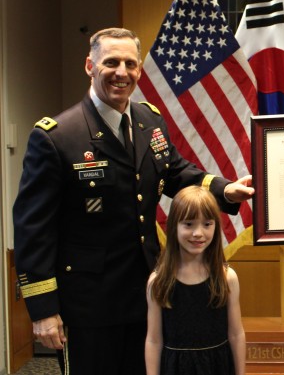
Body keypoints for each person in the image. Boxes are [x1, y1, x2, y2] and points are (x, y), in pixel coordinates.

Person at [12, 27, 254, 375]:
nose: (121, 73)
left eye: (130, 64)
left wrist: (224, 189)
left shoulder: (148, 120)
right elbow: (33, 229)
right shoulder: (57, 138)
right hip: (90, 304)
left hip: (148, 293)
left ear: (139, 70)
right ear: (89, 66)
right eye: (111, 62)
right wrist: (43, 310)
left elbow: (173, 170)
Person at [145, 185, 246, 375]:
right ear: (174, 225)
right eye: (189, 224)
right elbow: (153, 340)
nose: (198, 233)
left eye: (207, 224)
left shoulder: (227, 277)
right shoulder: (158, 281)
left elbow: (236, 333)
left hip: (217, 366)